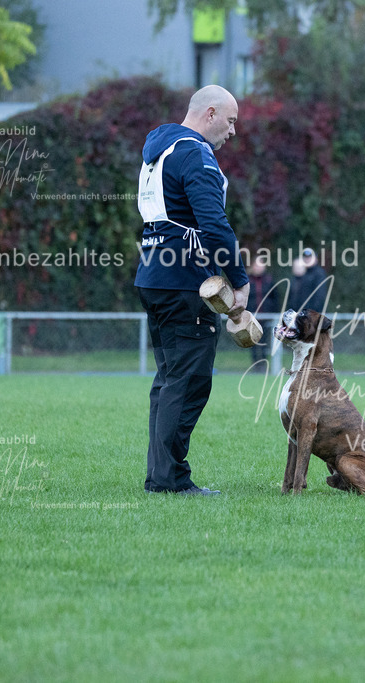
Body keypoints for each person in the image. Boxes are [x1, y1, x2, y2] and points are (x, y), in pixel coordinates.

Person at [135, 84, 248, 497]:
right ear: (211, 113)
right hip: (186, 281)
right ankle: (169, 480)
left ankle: (161, 476)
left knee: (168, 380)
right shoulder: (195, 153)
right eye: (231, 121)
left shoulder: (157, 151)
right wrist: (238, 279)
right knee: (189, 382)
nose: (233, 132)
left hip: (152, 276)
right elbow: (214, 225)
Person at [246, 260, 276, 367]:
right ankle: (255, 364)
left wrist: (273, 312)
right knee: (252, 341)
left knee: (264, 341)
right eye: (257, 266)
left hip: (266, 316)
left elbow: (275, 297)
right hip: (251, 317)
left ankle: (263, 363)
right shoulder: (247, 280)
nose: (258, 268)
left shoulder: (269, 280)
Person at [288, 247, 330, 312]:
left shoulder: (319, 273)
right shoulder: (302, 273)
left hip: (312, 313)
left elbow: (319, 295)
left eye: (310, 257)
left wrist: (313, 312)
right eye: (306, 257)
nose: (307, 260)